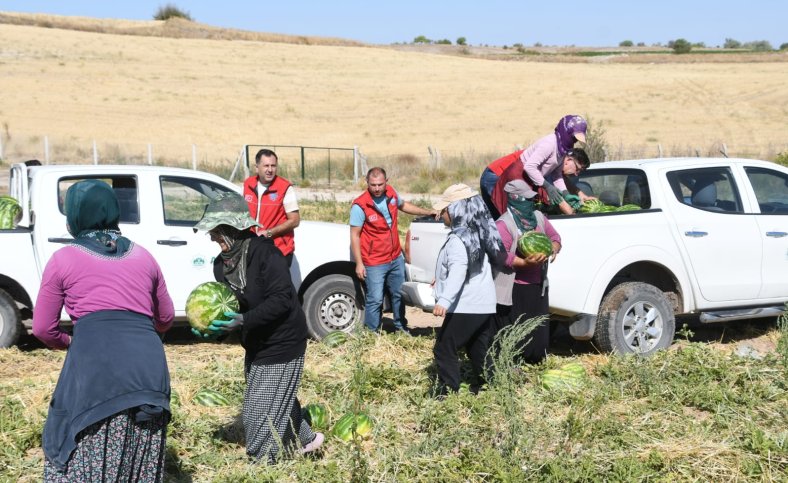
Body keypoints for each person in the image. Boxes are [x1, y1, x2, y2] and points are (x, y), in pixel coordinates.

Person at [32, 179, 174, 481]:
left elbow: (44, 328)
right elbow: (166, 317)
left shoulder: (63, 259)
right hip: (149, 369)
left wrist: (71, 341)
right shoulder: (144, 256)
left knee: (86, 452)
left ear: (74, 215)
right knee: (140, 460)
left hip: (98, 370)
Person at [193, 192, 323, 463]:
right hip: (256, 342)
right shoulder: (221, 266)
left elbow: (282, 300)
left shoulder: (265, 253)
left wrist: (244, 320)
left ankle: (263, 464)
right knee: (274, 399)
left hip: (284, 340)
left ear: (234, 229)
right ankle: (308, 441)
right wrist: (216, 330)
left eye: (217, 232)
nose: (212, 238)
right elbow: (234, 304)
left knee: (258, 411)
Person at [431, 184, 503, 395]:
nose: (440, 214)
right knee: (478, 349)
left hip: (466, 304)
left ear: (455, 210)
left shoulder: (458, 239)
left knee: (444, 348)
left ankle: (448, 392)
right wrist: (440, 279)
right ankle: (489, 387)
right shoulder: (478, 232)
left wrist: (444, 300)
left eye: (443, 210)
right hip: (484, 303)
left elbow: (459, 271)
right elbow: (469, 269)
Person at [350, 167, 437, 334]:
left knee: (399, 295)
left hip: (396, 257)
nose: (376, 188)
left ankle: (400, 328)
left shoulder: (391, 193)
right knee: (375, 299)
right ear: (367, 183)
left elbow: (404, 205)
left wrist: (428, 213)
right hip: (374, 261)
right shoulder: (360, 205)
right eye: (373, 185)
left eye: (380, 184)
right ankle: (371, 333)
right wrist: (359, 263)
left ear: (386, 181)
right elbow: (355, 236)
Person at [492, 179, 562, 364]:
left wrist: (553, 248)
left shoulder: (538, 217)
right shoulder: (504, 225)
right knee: (516, 331)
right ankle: (512, 366)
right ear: (515, 199)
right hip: (514, 288)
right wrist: (524, 262)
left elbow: (555, 237)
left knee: (537, 331)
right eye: (527, 199)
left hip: (537, 285)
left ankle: (534, 364)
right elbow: (501, 256)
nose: (531, 203)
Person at [490, 115, 590, 216]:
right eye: (574, 137)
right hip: (517, 178)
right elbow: (529, 167)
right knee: (511, 218)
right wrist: (547, 186)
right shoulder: (550, 143)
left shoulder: (563, 150)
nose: (574, 141)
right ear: (567, 131)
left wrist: (565, 193)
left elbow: (557, 175)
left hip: (529, 181)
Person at [243, 148, 300, 266]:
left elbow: (294, 221)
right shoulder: (248, 184)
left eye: (273, 166)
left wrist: (269, 233)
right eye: (266, 166)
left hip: (278, 251)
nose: (270, 170)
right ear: (257, 167)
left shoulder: (285, 188)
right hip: (254, 249)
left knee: (276, 285)